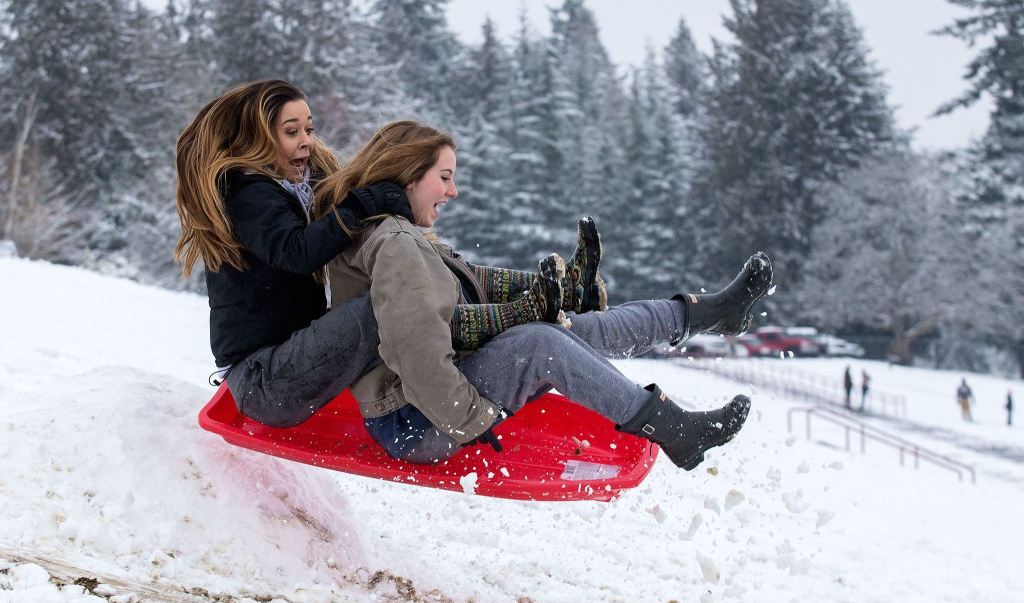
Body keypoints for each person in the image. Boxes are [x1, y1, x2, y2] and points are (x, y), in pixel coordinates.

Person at [315, 120, 775, 470]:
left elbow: (471, 280)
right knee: (541, 345)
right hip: (416, 421)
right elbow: (415, 350)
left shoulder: (402, 235)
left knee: (567, 328)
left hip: (428, 403)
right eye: (445, 177)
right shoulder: (393, 243)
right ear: (409, 175)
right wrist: (470, 419)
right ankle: (676, 431)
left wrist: (561, 290)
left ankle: (709, 313)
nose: (453, 191)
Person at [173, 80, 599, 428]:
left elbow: (348, 193)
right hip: (264, 380)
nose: (306, 141)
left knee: (418, 273)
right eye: (292, 132)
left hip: (298, 358)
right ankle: (517, 314)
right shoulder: (248, 195)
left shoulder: (298, 185)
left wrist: (389, 188)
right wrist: (363, 204)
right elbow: (297, 252)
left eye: (309, 128)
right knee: (388, 306)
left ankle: (553, 290)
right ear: (259, 137)